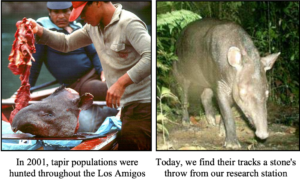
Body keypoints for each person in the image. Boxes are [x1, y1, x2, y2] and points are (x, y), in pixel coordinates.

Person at [29, 1, 151, 150]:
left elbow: (150, 56)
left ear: (98, 3)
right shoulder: (92, 27)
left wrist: (120, 83)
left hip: (143, 103)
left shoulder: (129, 23)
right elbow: (66, 43)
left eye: (83, 13)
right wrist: (40, 31)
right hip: (126, 105)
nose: (81, 18)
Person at [30, 2, 107, 101]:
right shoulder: (41, 32)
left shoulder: (78, 27)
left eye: (65, 11)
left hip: (96, 73)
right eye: (56, 12)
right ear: (49, 12)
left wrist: (102, 70)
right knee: (108, 89)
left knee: (122, 82)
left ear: (72, 11)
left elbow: (93, 53)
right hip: (81, 83)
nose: (61, 16)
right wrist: (26, 89)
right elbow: (34, 64)